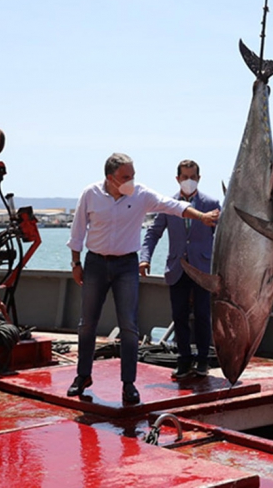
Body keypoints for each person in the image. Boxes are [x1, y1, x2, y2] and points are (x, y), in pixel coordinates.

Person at [66, 153, 220, 404]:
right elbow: (78, 230)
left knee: (129, 326)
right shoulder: (90, 194)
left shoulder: (140, 194)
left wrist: (201, 217)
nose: (131, 181)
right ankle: (83, 375)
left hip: (126, 264)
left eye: (133, 175)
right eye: (126, 177)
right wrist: (75, 262)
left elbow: (173, 206)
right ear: (110, 178)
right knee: (87, 323)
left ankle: (128, 384)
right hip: (95, 263)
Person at [140, 159, 221, 380]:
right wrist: (144, 258)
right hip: (177, 268)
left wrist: (221, 270)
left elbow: (223, 238)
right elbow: (153, 233)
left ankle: (203, 360)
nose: (189, 181)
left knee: (204, 315)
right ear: (177, 179)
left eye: (193, 177)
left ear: (199, 178)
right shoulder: (168, 205)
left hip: (203, 270)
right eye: (185, 177)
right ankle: (184, 360)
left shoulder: (212, 203)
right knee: (180, 315)